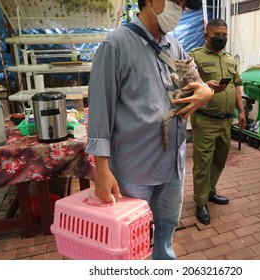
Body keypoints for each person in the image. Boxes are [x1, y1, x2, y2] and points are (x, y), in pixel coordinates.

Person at [85, 0, 213, 260]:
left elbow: (198, 84)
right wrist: (101, 169)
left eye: (181, 3)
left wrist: (206, 93)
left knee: (166, 231)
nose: (179, 8)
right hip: (135, 169)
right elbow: (100, 110)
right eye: (175, 1)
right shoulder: (115, 46)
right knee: (133, 239)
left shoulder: (174, 45)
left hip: (172, 167)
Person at [189, 18, 246, 225]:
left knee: (220, 159)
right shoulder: (195, 56)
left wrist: (241, 111)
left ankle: (210, 191)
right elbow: (186, 83)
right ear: (207, 36)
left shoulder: (231, 60)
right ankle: (200, 201)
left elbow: (236, 86)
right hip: (205, 119)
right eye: (217, 35)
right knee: (203, 163)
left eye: (224, 35)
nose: (221, 38)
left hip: (226, 120)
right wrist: (205, 84)